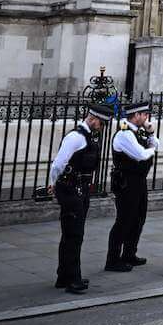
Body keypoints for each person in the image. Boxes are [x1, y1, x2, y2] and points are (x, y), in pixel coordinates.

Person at [48, 103, 114, 294]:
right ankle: (73, 279)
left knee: (72, 234)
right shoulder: (75, 137)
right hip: (70, 190)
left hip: (80, 189)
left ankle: (63, 275)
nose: (101, 128)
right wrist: (53, 183)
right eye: (100, 124)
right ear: (93, 119)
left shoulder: (87, 137)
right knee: (74, 234)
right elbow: (58, 164)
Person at [105, 101, 158, 271]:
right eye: (144, 115)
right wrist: (151, 148)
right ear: (136, 116)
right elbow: (141, 155)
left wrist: (150, 135)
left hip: (139, 181)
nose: (147, 118)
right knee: (124, 220)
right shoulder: (124, 134)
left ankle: (129, 254)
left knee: (138, 218)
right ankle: (112, 260)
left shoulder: (139, 132)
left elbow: (156, 144)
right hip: (126, 183)